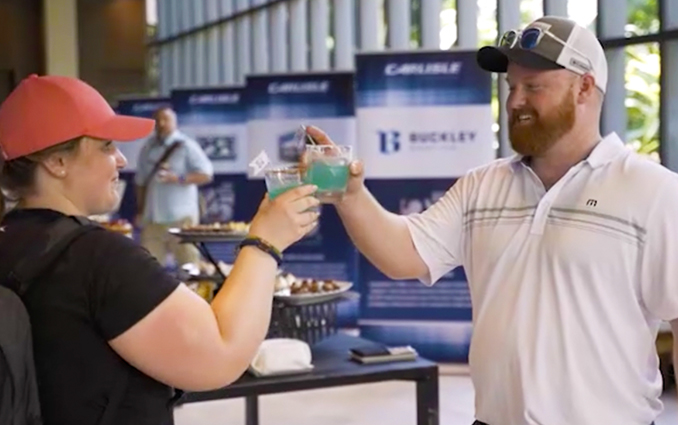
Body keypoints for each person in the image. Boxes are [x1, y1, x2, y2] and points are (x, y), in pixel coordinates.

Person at [307, 15, 678, 425]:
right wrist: (350, 195)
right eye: (511, 87)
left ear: (584, 87)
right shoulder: (482, 186)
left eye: (533, 87)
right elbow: (404, 253)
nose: (515, 101)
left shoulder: (652, 191)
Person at [0, 74, 319, 425]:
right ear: (57, 162)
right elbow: (220, 355)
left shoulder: (11, 242)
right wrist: (265, 242)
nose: (121, 159)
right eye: (106, 146)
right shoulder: (99, 257)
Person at [135, 107, 212, 268]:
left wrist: (178, 178)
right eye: (158, 120)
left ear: (175, 122)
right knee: (148, 268)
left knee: (190, 266)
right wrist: (141, 210)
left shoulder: (187, 146)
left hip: (182, 218)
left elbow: (206, 174)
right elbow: (140, 182)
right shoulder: (147, 148)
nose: (162, 124)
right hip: (153, 217)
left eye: (166, 120)